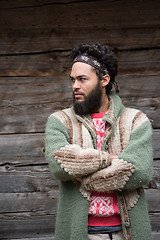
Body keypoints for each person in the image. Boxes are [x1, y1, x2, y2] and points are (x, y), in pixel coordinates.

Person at [45, 43, 153, 240]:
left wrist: (83, 173)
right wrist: (111, 160)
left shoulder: (135, 120)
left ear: (104, 80)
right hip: (81, 232)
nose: (75, 86)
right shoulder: (60, 121)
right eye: (73, 80)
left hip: (127, 231)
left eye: (82, 79)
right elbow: (59, 165)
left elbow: (141, 171)